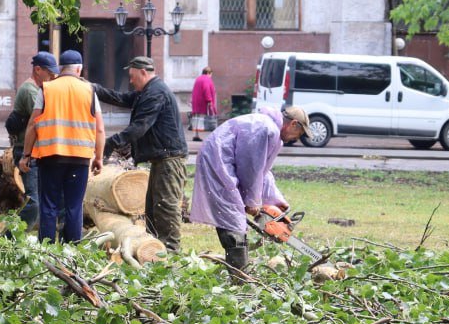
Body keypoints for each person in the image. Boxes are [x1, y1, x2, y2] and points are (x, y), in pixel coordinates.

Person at [190, 104, 311, 272]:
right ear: (293, 124)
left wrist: (276, 202)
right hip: (218, 161)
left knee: (234, 217)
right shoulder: (265, 129)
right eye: (299, 134)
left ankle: (240, 269)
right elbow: (251, 168)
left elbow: (263, 172)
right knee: (231, 217)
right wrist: (253, 202)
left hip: (225, 162)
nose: (296, 139)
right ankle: (241, 275)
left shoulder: (270, 130)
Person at [94, 56, 189, 252]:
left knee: (166, 207)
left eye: (132, 76)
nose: (130, 81)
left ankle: (171, 251)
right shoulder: (146, 92)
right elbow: (119, 98)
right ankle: (152, 248)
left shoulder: (156, 93)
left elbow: (140, 126)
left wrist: (112, 142)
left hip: (169, 160)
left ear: (143, 72)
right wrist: (93, 88)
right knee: (153, 209)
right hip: (160, 159)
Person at [19, 50, 104, 242]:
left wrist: (26, 155)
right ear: (78, 69)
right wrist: (98, 157)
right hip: (80, 158)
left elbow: (33, 124)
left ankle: (47, 249)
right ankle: (72, 249)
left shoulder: (47, 89)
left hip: (51, 157)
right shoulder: (90, 90)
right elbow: (99, 129)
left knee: (49, 205)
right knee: (74, 206)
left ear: (61, 68)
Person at [5, 52, 58, 231]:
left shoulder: (38, 89)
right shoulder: (30, 91)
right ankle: (9, 238)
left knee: (42, 199)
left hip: (36, 152)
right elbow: (42, 119)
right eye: (50, 73)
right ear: (37, 70)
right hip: (27, 152)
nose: (53, 77)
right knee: (34, 201)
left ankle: (42, 237)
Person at [190, 67, 218, 142]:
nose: (211, 76)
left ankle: (196, 135)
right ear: (209, 73)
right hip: (203, 103)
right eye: (211, 74)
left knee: (196, 119)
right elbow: (206, 89)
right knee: (206, 120)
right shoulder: (207, 79)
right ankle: (210, 137)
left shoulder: (198, 79)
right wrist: (209, 100)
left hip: (196, 102)